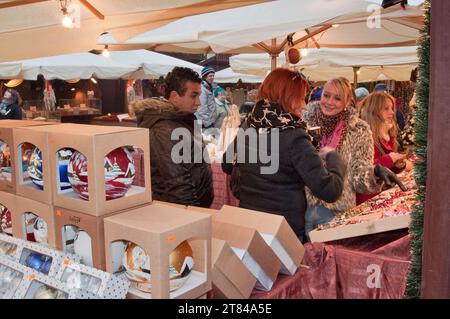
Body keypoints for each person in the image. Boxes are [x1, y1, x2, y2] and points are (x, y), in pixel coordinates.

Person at [222, 68, 347, 242]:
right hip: (282, 232)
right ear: (286, 97)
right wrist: (334, 158)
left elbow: (226, 164)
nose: (304, 105)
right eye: (300, 98)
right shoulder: (294, 137)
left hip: (250, 223)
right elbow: (329, 190)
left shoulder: (250, 124)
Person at [303, 77, 405, 240]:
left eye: (337, 98)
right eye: (326, 95)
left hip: (335, 211)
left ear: (347, 101)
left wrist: (376, 173)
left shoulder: (358, 130)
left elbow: (359, 178)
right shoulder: (303, 122)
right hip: (300, 206)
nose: (329, 102)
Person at [130, 67, 214, 207]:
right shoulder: (165, 130)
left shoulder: (183, 121)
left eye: (199, 95)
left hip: (191, 210)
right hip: (183, 213)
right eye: (193, 96)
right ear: (175, 96)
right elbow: (178, 184)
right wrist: (194, 215)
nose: (198, 102)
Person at [357, 92, 413, 204]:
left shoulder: (387, 133)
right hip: (366, 198)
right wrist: (389, 159)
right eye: (386, 109)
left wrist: (399, 165)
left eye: (391, 108)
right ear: (374, 110)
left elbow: (388, 170)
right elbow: (361, 170)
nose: (392, 112)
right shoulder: (362, 136)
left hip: (381, 195)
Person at [195, 65, 217, 129]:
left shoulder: (209, 87)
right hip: (202, 123)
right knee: (201, 139)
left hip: (208, 121)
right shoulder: (202, 88)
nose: (212, 77)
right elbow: (202, 108)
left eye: (213, 76)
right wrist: (208, 124)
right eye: (210, 76)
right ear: (205, 76)